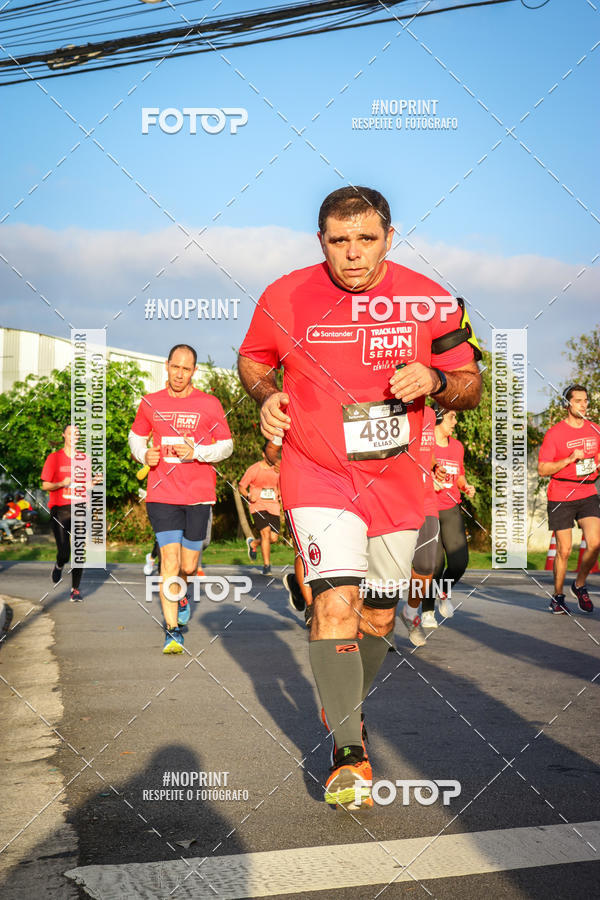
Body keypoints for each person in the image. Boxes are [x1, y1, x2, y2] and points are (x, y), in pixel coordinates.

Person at [238, 185, 481, 807]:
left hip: (397, 479)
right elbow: (254, 360)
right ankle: (350, 754)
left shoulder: (431, 300)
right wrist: (266, 395)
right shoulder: (285, 295)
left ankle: (344, 700)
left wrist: (435, 378)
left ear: (389, 239)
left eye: (366, 240)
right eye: (339, 241)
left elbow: (470, 385)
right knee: (334, 605)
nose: (352, 254)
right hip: (317, 472)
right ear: (320, 240)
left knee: (379, 614)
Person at [128, 344, 233, 653]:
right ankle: (172, 630)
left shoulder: (209, 404)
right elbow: (136, 437)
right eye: (175, 367)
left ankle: (182, 594)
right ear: (167, 365)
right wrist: (142, 454)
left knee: (188, 564)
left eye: (186, 369)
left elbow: (226, 446)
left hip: (198, 496)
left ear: (194, 371)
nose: (179, 374)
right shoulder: (151, 402)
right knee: (169, 562)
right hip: (162, 495)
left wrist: (197, 452)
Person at [538, 384, 600, 614]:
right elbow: (542, 469)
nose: (583, 405)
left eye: (586, 400)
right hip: (561, 494)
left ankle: (579, 584)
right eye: (578, 401)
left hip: (587, 491)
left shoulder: (595, 429)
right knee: (564, 550)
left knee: (595, 543)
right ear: (567, 404)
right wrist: (569, 459)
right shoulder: (555, 434)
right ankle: (558, 596)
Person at [424, 407, 475, 628]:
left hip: (451, 507)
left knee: (459, 562)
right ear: (437, 417)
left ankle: (443, 591)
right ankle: (427, 611)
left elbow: (459, 474)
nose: (455, 422)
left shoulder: (457, 446)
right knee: (434, 565)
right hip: (429, 509)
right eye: (451, 417)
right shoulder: (426, 445)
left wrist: (465, 486)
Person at [40, 425, 86, 600]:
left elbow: (86, 486)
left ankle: (75, 590)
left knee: (79, 550)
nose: (75, 436)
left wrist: (94, 482)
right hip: (60, 509)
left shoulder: (84, 459)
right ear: (64, 436)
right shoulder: (54, 458)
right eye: (71, 433)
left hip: (80, 507)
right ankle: (59, 565)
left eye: (77, 433)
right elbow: (45, 485)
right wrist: (61, 484)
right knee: (64, 552)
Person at [239, 444, 281, 576]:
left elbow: (280, 485)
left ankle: (254, 543)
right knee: (265, 533)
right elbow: (241, 487)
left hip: (273, 506)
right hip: (257, 505)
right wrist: (248, 496)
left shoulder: (277, 469)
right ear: (264, 454)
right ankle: (267, 566)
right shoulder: (254, 469)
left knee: (273, 538)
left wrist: (281, 495)